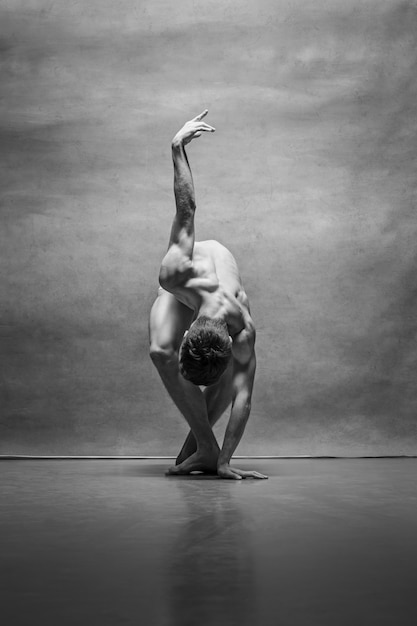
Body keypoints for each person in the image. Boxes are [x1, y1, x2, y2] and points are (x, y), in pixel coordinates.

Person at [149, 110, 267, 480]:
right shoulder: (177, 273)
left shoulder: (243, 327)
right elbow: (187, 208)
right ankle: (206, 446)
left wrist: (227, 461)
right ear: (188, 332)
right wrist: (177, 146)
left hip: (216, 290)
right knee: (159, 351)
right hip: (194, 283)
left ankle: (206, 452)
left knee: (233, 376)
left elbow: (243, 396)